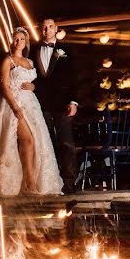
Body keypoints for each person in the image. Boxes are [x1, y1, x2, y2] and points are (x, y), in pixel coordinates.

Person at [0, 27, 62, 199]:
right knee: (27, 140)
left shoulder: (29, 62)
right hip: (13, 104)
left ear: (25, 43)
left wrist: (33, 86)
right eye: (16, 39)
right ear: (11, 41)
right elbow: (5, 86)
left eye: (22, 39)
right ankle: (29, 181)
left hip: (31, 105)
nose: (18, 42)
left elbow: (31, 82)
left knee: (35, 141)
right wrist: (15, 107)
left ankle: (29, 182)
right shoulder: (7, 61)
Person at [31, 18, 79, 194]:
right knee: (46, 143)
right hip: (40, 104)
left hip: (63, 105)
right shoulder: (32, 50)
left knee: (67, 143)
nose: (46, 29)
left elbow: (74, 77)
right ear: (39, 29)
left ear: (56, 29)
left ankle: (69, 182)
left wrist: (73, 101)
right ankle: (51, 181)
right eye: (43, 27)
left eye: (50, 26)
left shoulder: (67, 50)